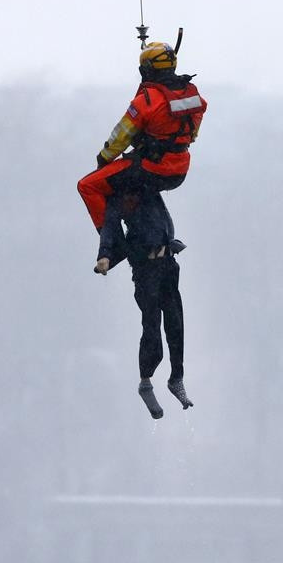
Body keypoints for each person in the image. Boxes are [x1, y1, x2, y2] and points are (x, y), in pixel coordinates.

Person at [77, 41, 207, 232]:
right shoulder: (193, 96)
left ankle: (113, 243)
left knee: (87, 185)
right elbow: (192, 134)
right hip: (179, 171)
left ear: (147, 69)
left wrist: (103, 158)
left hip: (151, 168)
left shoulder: (146, 101)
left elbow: (121, 137)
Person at [95, 186, 194, 419]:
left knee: (175, 322)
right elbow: (109, 228)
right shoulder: (119, 197)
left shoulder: (149, 186)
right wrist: (104, 256)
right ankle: (146, 380)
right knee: (152, 326)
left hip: (168, 263)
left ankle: (176, 378)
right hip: (145, 269)